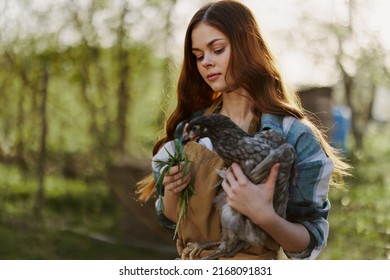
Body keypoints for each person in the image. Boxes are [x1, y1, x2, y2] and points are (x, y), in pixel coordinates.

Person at [137, 0, 351, 260]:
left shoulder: (295, 136)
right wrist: (172, 189)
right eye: (198, 56)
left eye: (217, 49)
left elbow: (309, 244)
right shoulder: (190, 131)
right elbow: (171, 219)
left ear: (247, 46)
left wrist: (265, 216)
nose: (206, 62)